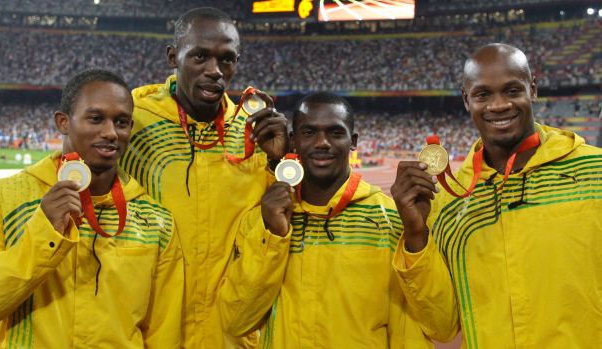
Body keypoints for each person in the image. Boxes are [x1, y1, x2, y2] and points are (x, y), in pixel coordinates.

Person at [392, 43, 602, 348]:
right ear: (466, 100)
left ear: (533, 90)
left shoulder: (593, 172)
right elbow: (442, 324)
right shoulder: (450, 202)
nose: (498, 105)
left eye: (512, 90)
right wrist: (415, 236)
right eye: (483, 95)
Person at [218, 92, 459, 348]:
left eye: (335, 132)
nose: (322, 142)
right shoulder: (262, 221)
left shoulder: (392, 220)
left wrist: (416, 236)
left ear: (353, 141)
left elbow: (443, 326)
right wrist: (273, 236)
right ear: (294, 141)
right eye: (309, 132)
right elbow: (235, 321)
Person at [118, 7, 288, 348]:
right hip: (151, 331)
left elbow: (271, 225)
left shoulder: (254, 134)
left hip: (227, 333)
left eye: (226, 60)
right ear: (172, 57)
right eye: (199, 56)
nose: (214, 71)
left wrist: (278, 162)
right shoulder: (132, 123)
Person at [0, 69, 184, 348]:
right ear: (63, 122)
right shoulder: (2, 199)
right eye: (96, 118)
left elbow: (164, 333)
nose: (111, 132)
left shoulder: (156, 220)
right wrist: (44, 232)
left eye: (122, 122)